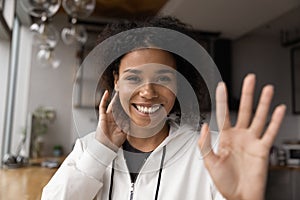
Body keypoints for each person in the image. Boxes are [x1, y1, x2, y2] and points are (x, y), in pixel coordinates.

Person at [41, 16, 286, 200]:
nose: (148, 92)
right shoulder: (88, 149)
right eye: (134, 78)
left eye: (163, 78)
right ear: (116, 80)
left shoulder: (213, 152)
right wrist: (101, 152)